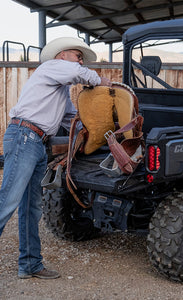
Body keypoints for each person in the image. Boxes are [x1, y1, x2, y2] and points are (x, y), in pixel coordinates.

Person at [0, 37, 111, 279]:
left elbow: (73, 119)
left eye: (82, 58)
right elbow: (80, 73)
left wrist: (102, 128)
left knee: (31, 208)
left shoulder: (59, 91)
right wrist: (100, 81)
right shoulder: (50, 68)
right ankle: (30, 263)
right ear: (62, 55)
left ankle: (30, 264)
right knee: (7, 201)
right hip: (25, 137)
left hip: (36, 143)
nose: (80, 61)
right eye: (77, 55)